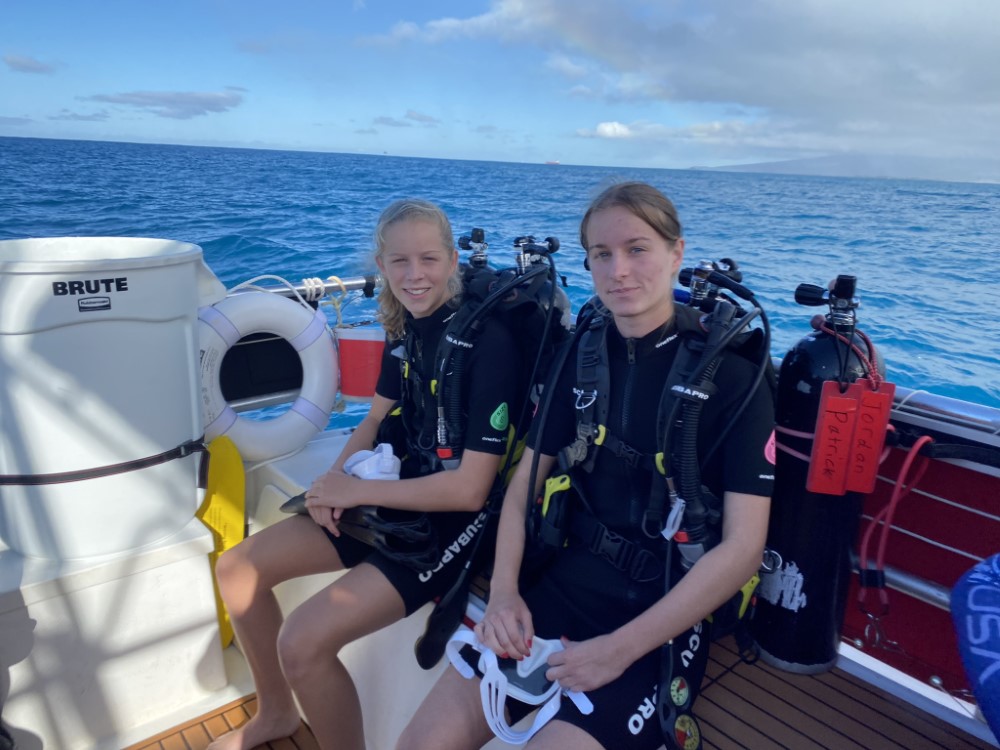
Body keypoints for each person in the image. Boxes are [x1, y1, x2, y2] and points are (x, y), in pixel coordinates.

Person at [397, 182, 775, 750]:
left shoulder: (734, 375)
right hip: (571, 582)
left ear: (676, 253)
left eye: (637, 249)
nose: (618, 270)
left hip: (667, 609)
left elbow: (744, 548)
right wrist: (504, 594)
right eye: (602, 254)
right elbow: (523, 486)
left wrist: (620, 650)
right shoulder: (583, 354)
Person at [208, 198, 523, 750]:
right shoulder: (404, 326)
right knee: (238, 569)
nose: (414, 274)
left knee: (302, 642)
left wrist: (355, 489)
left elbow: (471, 489)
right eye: (399, 261)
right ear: (381, 265)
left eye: (428, 259)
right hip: (391, 491)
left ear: (452, 261)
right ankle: (276, 713)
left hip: (448, 523)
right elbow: (375, 419)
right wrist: (331, 485)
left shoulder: (488, 343)